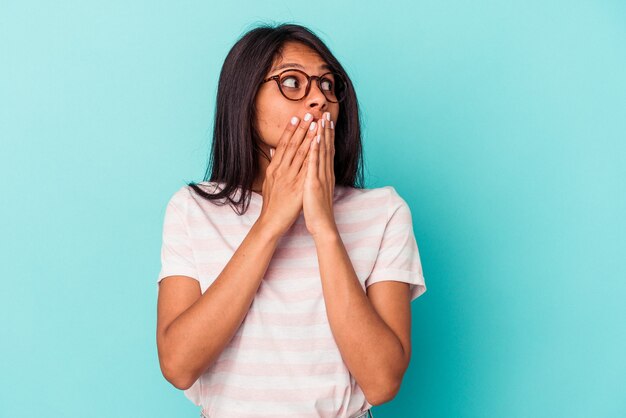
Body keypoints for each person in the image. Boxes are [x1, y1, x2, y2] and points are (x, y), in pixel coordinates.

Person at [155, 23, 427, 418]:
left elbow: (382, 382)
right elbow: (179, 366)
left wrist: (325, 228)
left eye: (328, 85)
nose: (319, 98)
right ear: (245, 101)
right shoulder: (192, 210)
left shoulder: (384, 213)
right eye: (293, 82)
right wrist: (271, 223)